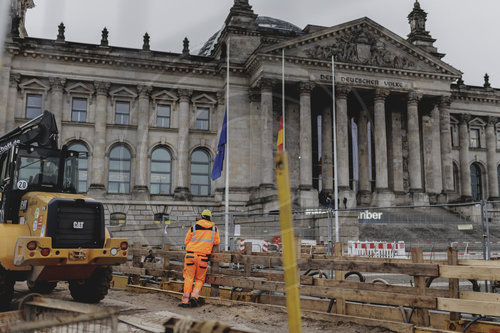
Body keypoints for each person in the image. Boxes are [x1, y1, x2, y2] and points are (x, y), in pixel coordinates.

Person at [179, 209, 220, 307]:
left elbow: (186, 241)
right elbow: (217, 242)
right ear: (210, 218)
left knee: (188, 278)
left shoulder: (193, 227)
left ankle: (185, 301)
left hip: (190, 256)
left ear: (201, 216)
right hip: (203, 258)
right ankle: (194, 297)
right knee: (199, 279)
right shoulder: (214, 229)